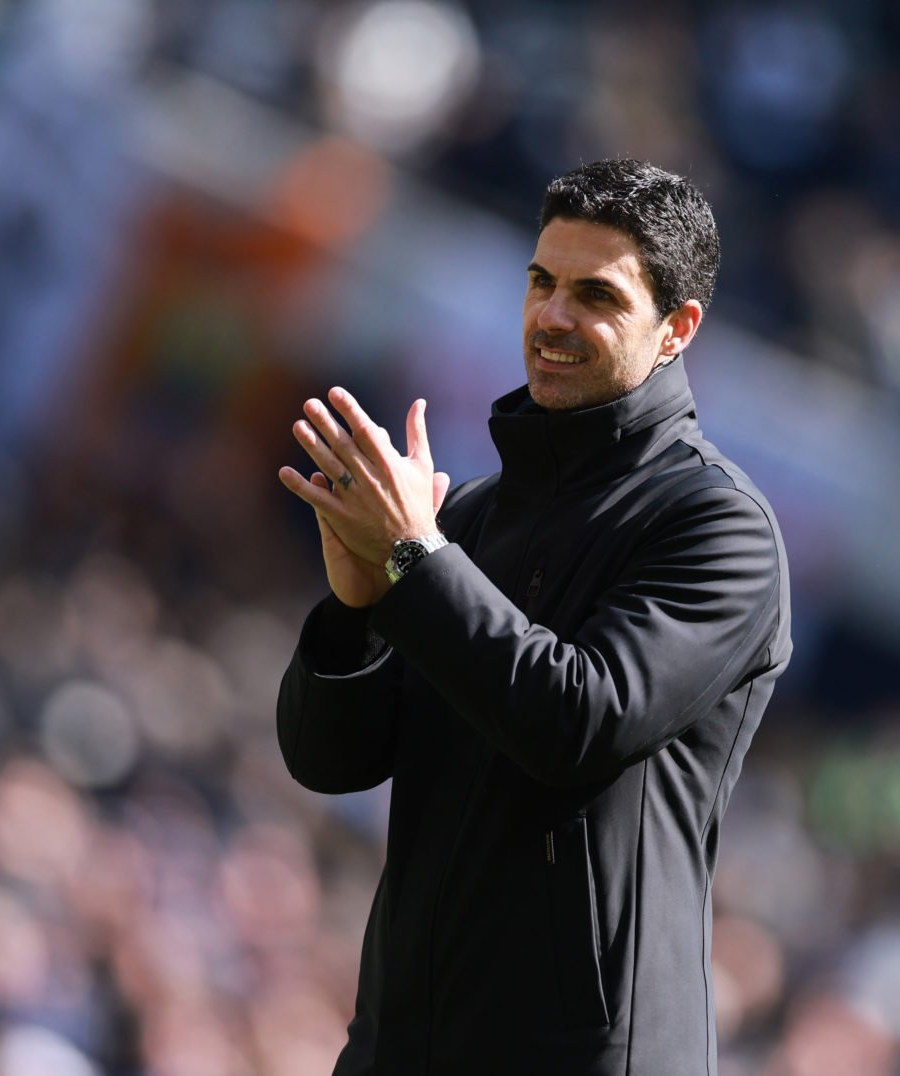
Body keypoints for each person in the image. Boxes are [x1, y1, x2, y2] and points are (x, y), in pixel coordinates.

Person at [275, 158, 792, 1075]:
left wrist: (413, 560)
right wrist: (355, 607)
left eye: (596, 295)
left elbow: (578, 721)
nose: (553, 317)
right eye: (542, 282)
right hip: (402, 1045)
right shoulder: (467, 515)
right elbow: (330, 759)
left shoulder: (721, 527)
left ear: (677, 330)